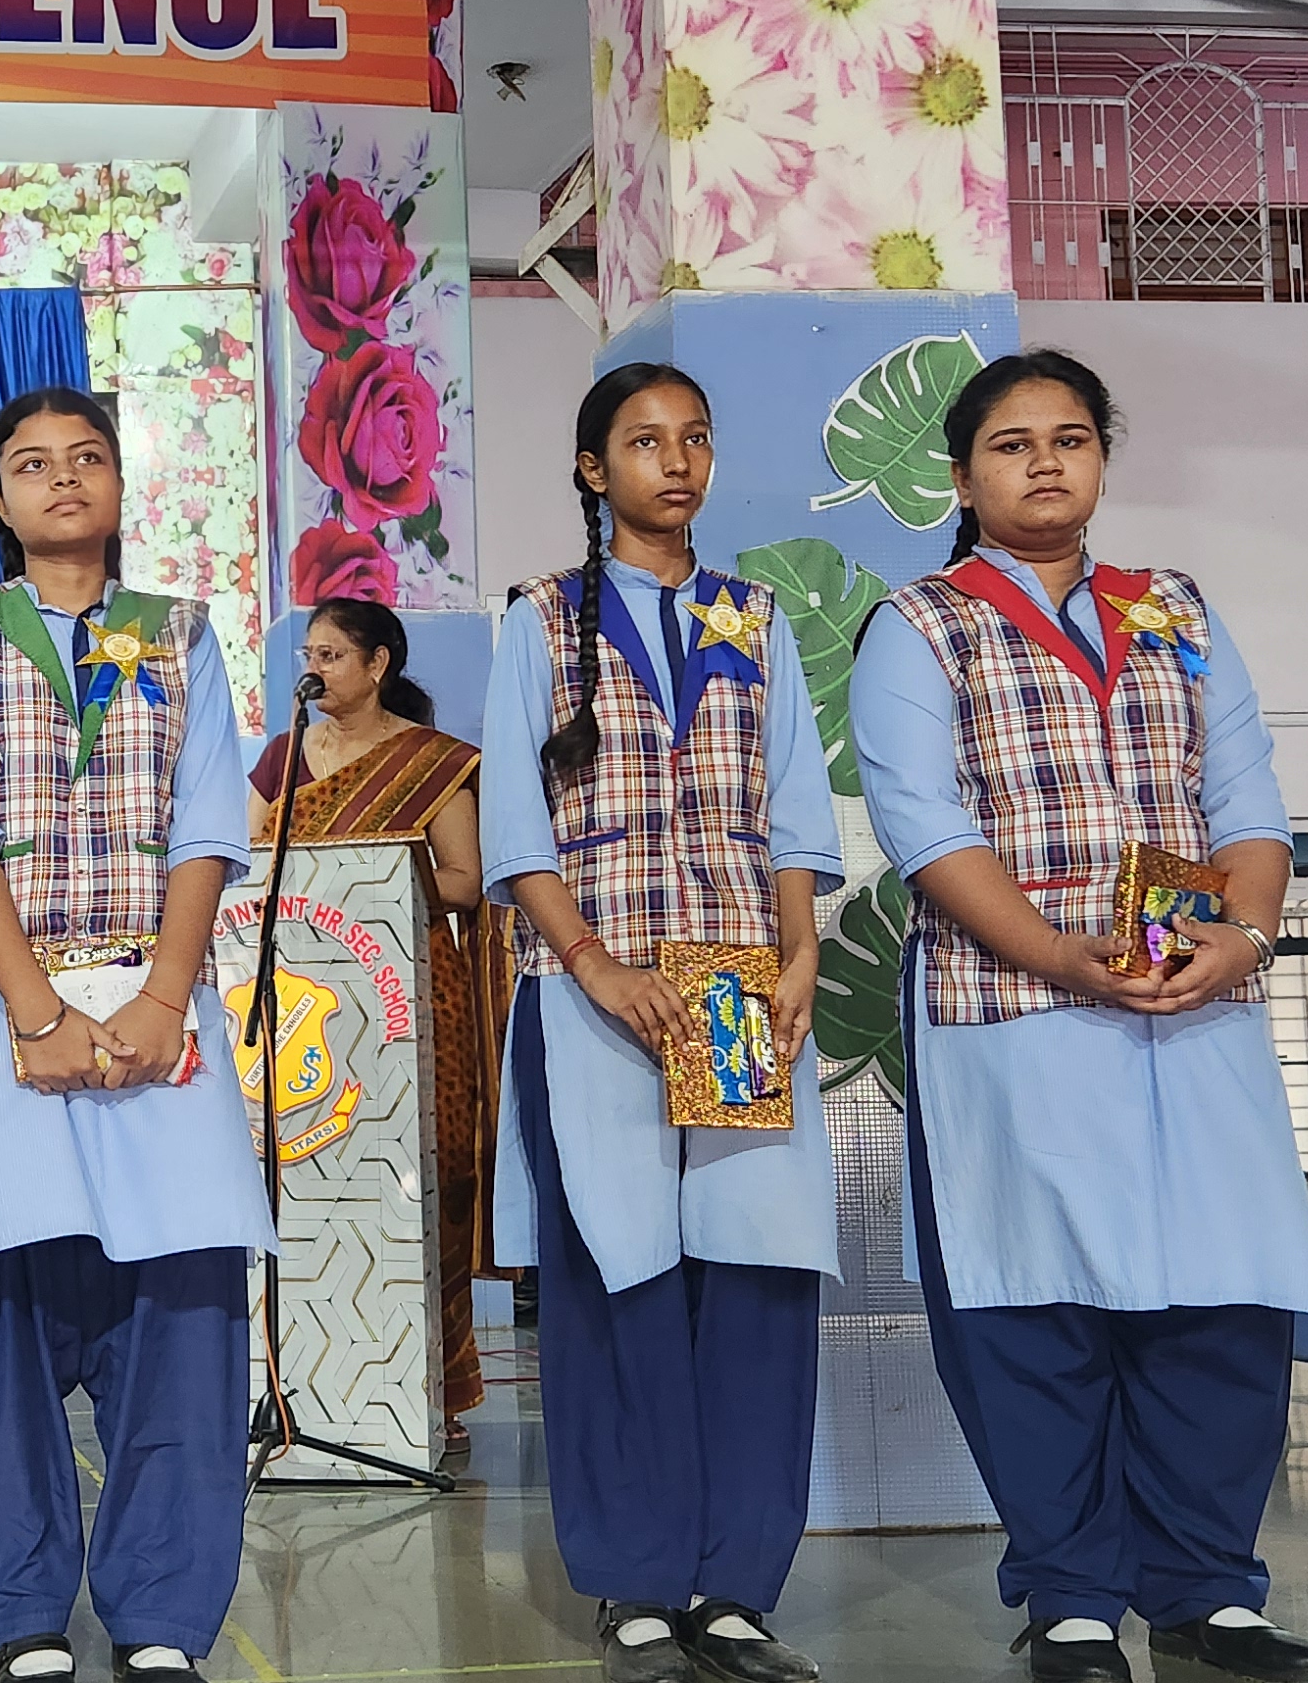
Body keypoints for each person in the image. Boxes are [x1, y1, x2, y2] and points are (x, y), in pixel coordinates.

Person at [847, 351, 1308, 1683]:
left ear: (1104, 462)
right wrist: (1064, 958)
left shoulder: (1173, 608)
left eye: (1070, 438)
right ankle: (1071, 1600)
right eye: (1011, 445)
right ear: (962, 479)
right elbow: (926, 830)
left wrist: (1243, 939)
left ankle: (1208, 1595)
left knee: (1218, 1297)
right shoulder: (922, 623)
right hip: (1015, 1012)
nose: (1045, 463)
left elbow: (1246, 799)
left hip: (1195, 1003)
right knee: (1037, 1304)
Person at [0, 386, 261, 1683]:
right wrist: (35, 1012)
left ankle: (162, 1617)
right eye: (32, 464)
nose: (64, 479)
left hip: (159, 1012)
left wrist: (161, 1001)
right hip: (0, 1016)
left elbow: (209, 821)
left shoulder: (182, 634)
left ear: (120, 486)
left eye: (87, 457)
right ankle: (18, 1614)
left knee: (184, 1314)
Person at [481, 364, 839, 1683]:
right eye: (643, 442)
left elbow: (794, 805)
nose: (675, 461)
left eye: (694, 438)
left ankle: (735, 1586)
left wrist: (799, 953)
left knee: (753, 1275)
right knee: (614, 1273)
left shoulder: (753, 616)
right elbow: (516, 828)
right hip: (592, 991)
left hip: (740, 988)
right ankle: (635, 1580)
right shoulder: (539, 618)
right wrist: (590, 962)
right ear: (594, 470)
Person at [246, 598, 495, 1435]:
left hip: (413, 996)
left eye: (332, 655)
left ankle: (428, 1394)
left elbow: (464, 880)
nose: (314, 670)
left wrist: (376, 877)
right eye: (309, 655)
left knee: (425, 1183)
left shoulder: (431, 763)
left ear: (378, 663)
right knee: (311, 1177)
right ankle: (312, 1387)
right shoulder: (285, 756)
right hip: (311, 1000)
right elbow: (249, 864)